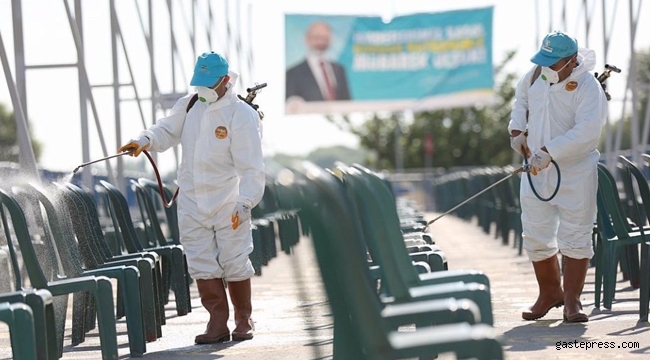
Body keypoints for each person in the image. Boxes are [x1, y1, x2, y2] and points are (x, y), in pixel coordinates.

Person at [118, 51, 265, 343]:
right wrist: (144, 140)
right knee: (200, 261)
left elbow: (251, 167)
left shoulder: (241, 115)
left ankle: (243, 319)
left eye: (209, 83)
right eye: (199, 83)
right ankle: (217, 323)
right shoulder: (189, 105)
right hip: (192, 200)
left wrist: (245, 202)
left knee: (235, 259)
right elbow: (166, 130)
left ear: (225, 80)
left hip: (228, 200)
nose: (203, 89)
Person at [508, 30, 608, 323]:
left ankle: (572, 301)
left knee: (576, 233)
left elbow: (588, 131)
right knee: (535, 231)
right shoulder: (535, 75)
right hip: (536, 170)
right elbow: (521, 102)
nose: (547, 67)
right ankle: (549, 293)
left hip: (576, 172)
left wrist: (551, 151)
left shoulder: (588, 88)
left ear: (571, 60)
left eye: (554, 62)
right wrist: (517, 130)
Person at [285, 21, 351, 102]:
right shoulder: (292, 73)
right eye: (316, 38)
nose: (320, 42)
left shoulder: (339, 70)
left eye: (325, 38)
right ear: (307, 39)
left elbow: (347, 101)